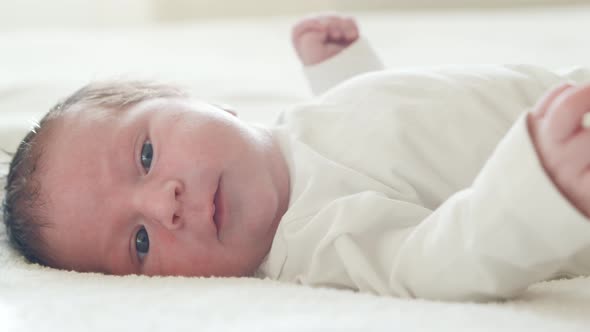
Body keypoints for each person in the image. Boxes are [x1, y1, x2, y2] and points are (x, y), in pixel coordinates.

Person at [3, 14, 590, 302]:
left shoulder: (298, 129)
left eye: (147, 154)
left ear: (191, 99)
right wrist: (533, 195)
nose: (165, 205)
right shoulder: (318, 240)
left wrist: (348, 74)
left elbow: (399, 151)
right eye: (139, 243)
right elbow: (434, 260)